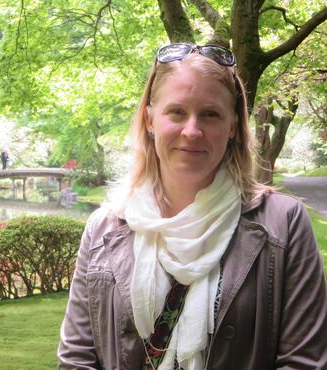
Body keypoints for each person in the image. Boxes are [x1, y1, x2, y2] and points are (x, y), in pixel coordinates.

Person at [58, 44, 327, 370]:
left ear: (232, 126)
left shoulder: (282, 223)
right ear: (150, 120)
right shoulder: (103, 228)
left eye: (210, 114)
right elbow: (77, 360)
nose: (192, 131)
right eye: (176, 112)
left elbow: (304, 362)